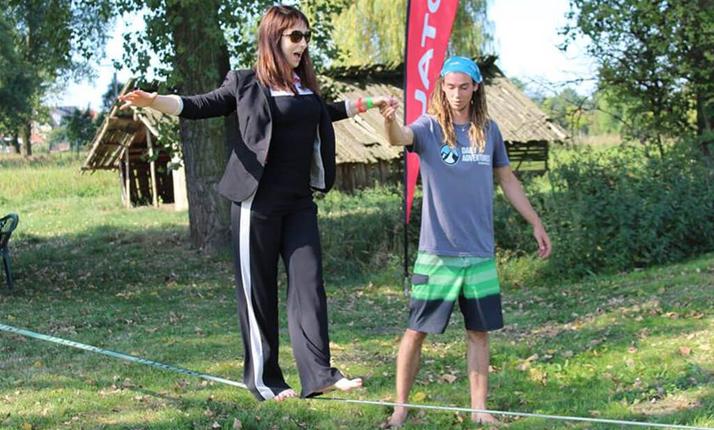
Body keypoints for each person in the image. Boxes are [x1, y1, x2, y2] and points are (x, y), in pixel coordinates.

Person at [119, 4, 395, 402]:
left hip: (299, 203)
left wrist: (370, 103)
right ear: (273, 38)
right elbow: (200, 105)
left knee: (309, 287)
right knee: (258, 293)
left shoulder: (304, 86)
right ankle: (267, 382)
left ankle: (319, 374)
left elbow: (325, 113)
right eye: (295, 36)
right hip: (256, 202)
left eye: (306, 36)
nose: (303, 44)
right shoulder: (245, 82)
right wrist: (154, 100)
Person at [379, 56, 552, 427]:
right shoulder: (428, 127)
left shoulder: (489, 131)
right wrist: (389, 121)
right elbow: (399, 138)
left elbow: (508, 180)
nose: (456, 94)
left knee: (478, 333)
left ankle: (480, 410)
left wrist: (535, 222)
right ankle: (400, 408)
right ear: (442, 87)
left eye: (463, 87)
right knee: (416, 331)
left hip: (479, 254)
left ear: (475, 88)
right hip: (437, 254)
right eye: (450, 87)